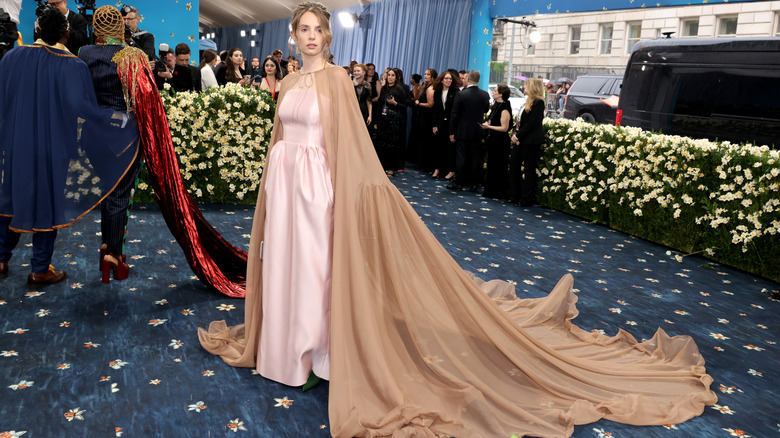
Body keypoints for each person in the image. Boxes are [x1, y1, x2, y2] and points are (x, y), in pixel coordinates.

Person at [198, 3, 717, 437]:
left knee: (315, 269)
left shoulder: (336, 81)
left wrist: (349, 198)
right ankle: (279, 348)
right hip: (284, 187)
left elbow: (348, 146)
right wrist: (269, 190)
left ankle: (312, 354)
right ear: (293, 36)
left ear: (327, 37)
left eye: (318, 30)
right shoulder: (287, 83)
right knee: (285, 266)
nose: (310, 38)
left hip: (317, 191)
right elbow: (277, 143)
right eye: (303, 30)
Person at [0, 6, 138, 285]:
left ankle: (1, 258)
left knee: (11, 196)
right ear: (66, 33)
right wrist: (120, 118)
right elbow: (83, 107)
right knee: (46, 201)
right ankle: (40, 268)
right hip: (54, 146)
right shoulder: (73, 65)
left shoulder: (11, 57)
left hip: (14, 144)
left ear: (37, 30)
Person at [78, 5, 143, 282]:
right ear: (122, 27)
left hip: (93, 134)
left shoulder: (83, 53)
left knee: (109, 190)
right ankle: (113, 254)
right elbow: (144, 98)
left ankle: (107, 246)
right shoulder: (133, 55)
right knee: (119, 195)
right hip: (123, 136)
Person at [448, 69, 490, 192]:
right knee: (475, 159)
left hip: (462, 131)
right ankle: (474, 184)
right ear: (479, 80)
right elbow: (486, 110)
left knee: (461, 158)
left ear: (468, 79)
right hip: (478, 131)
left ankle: (459, 183)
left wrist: (451, 132)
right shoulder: (485, 94)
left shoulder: (461, 94)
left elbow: (454, 115)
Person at [510, 77, 546, 206]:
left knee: (529, 170)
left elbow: (533, 123)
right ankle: (515, 195)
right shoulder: (527, 102)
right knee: (514, 166)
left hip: (531, 141)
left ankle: (526, 199)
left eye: (526, 85)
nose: (523, 87)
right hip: (521, 139)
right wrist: (516, 134)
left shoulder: (538, 102)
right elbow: (520, 121)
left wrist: (518, 136)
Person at [373, 67, 407, 176]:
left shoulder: (399, 90)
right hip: (383, 120)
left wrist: (395, 103)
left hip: (394, 121)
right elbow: (379, 105)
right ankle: (382, 167)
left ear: (396, 78)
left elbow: (404, 106)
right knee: (381, 144)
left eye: (393, 75)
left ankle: (391, 168)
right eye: (389, 75)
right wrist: (376, 121)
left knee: (392, 145)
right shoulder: (384, 89)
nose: (390, 77)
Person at [481, 84, 512, 200]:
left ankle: (498, 192)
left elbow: (504, 128)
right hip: (494, 139)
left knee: (499, 166)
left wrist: (489, 127)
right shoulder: (496, 106)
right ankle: (491, 190)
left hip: (501, 141)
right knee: (492, 165)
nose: (493, 93)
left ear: (501, 94)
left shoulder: (504, 108)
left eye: (495, 91)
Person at [431, 70, 459, 181]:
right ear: (442, 80)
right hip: (440, 123)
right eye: (446, 78)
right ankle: (437, 169)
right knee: (439, 146)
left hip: (451, 124)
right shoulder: (437, 92)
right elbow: (435, 110)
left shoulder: (456, 92)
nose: (448, 81)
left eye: (450, 79)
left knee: (450, 148)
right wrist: (434, 124)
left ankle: (451, 170)